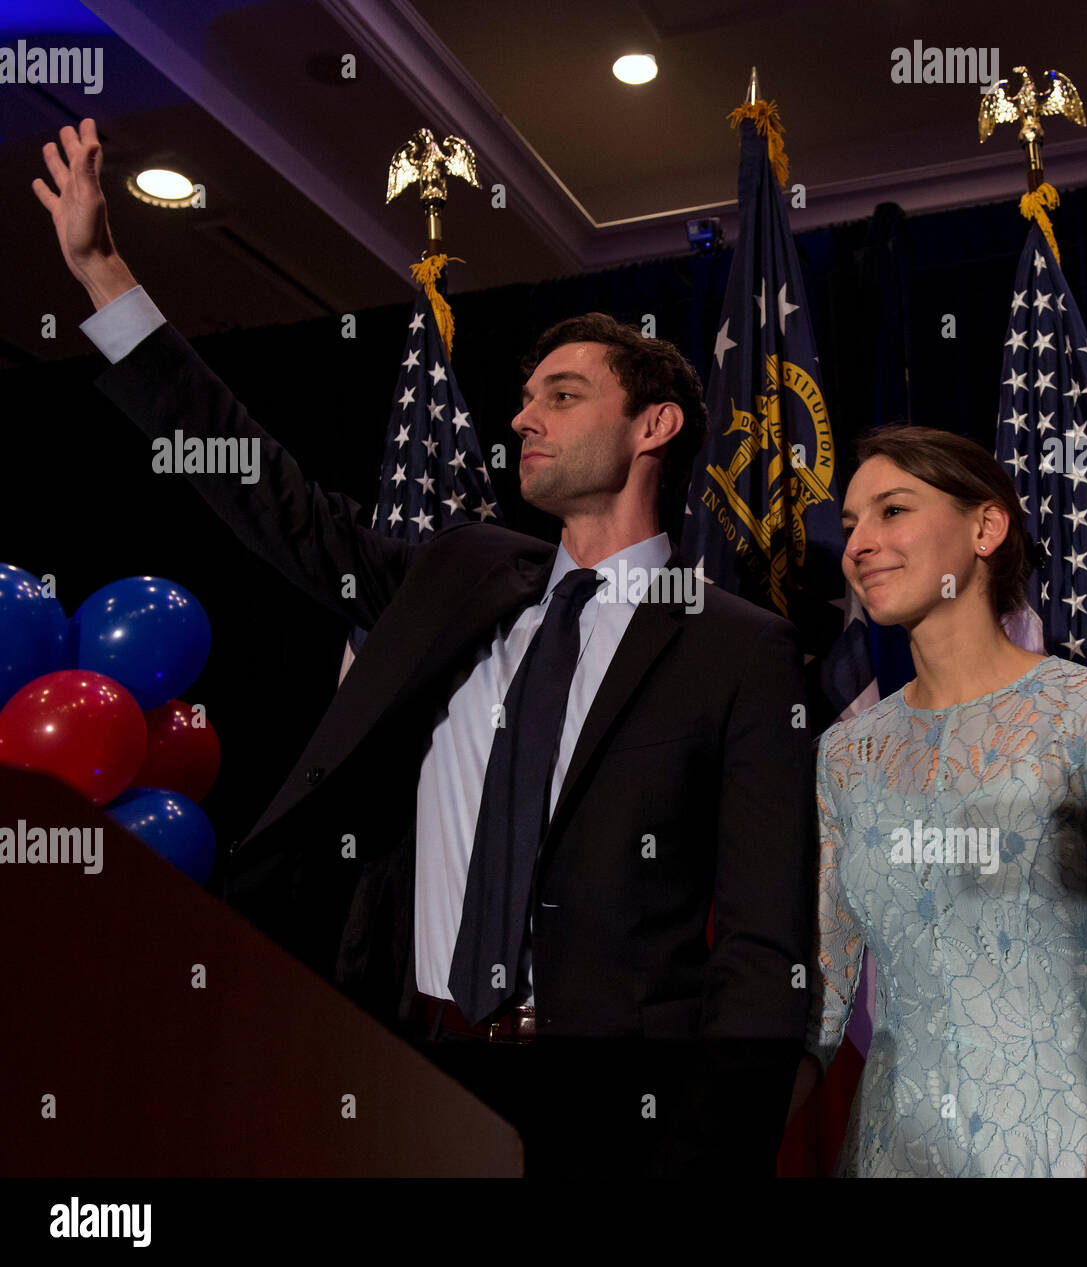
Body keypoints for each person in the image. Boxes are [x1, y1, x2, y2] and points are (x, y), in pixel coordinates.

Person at [34, 119, 814, 1177]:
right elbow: (274, 500)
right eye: (525, 396)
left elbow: (766, 949)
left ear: (655, 426)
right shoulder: (455, 580)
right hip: (410, 1073)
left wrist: (713, 1154)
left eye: (563, 396)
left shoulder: (739, 649)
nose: (524, 418)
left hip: (615, 1113)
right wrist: (103, 275)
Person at [790, 424, 1087, 1177]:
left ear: (986, 526)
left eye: (893, 510)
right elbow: (817, 1000)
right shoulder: (845, 754)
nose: (858, 545)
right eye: (849, 526)